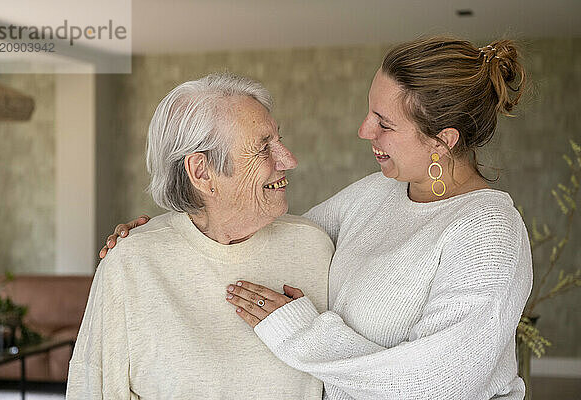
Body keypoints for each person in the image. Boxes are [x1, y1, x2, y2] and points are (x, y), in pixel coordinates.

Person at [103, 37, 533, 399]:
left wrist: (299, 333)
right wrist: (164, 237)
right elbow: (266, 236)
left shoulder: (489, 231)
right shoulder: (378, 192)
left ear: (443, 141)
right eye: (370, 112)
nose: (365, 131)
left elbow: (441, 380)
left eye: (384, 123)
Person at [67, 73, 334, 399]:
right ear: (202, 171)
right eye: (264, 147)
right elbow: (92, 391)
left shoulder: (314, 247)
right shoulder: (131, 263)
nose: (289, 159)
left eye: (278, 140)